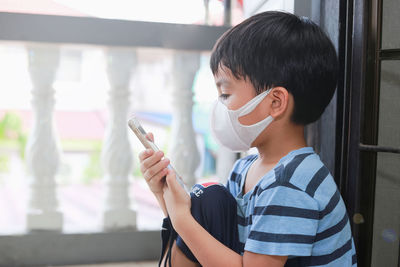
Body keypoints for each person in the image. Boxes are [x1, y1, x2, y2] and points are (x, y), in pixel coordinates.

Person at [139, 11, 357, 267]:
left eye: (225, 94)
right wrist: (166, 196)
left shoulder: (291, 185)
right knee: (207, 201)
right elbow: (204, 241)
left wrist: (183, 220)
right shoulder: (244, 169)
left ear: (275, 102)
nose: (219, 106)